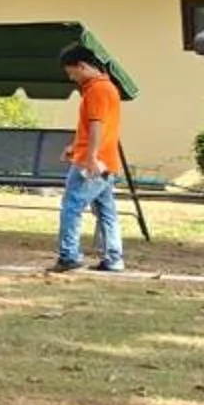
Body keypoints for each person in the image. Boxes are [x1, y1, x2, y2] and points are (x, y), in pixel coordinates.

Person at [52, 45, 127, 273]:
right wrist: (75, 146)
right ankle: (114, 258)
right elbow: (95, 127)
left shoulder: (96, 90)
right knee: (106, 210)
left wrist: (90, 157)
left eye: (71, 72)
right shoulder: (107, 88)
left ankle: (69, 255)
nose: (71, 77)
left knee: (71, 206)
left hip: (91, 163)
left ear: (82, 66)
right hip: (107, 161)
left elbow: (97, 125)